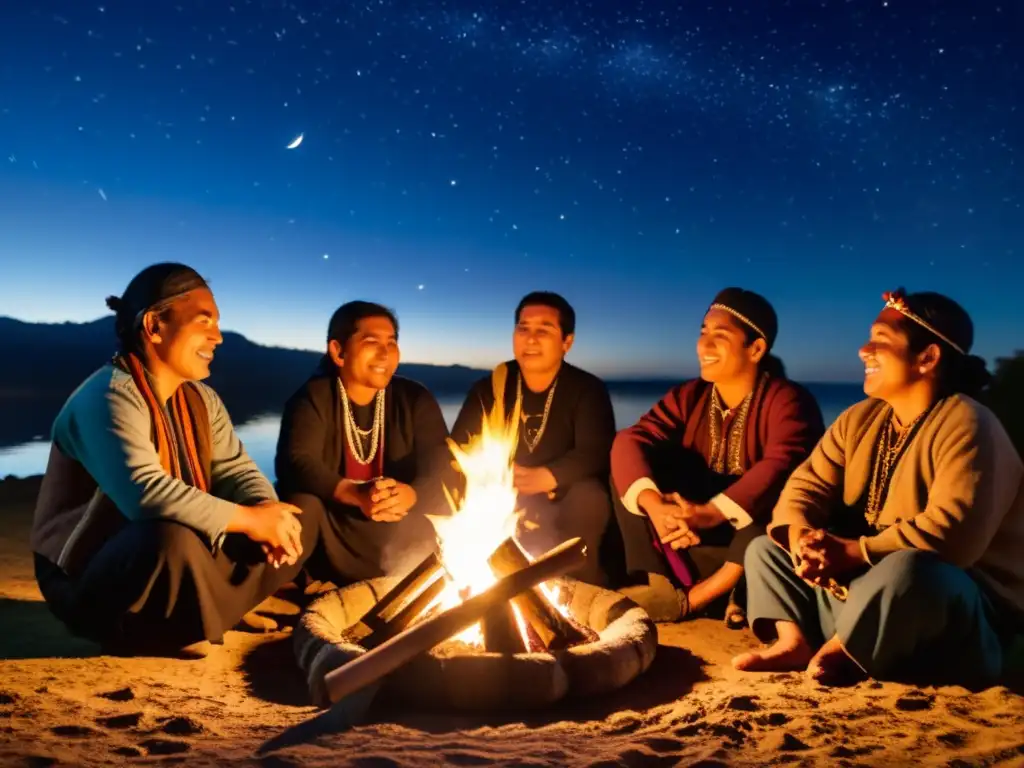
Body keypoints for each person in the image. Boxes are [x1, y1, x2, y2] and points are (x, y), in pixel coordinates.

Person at [734, 289, 1024, 689]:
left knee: (912, 569)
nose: (863, 350)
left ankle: (846, 650)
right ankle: (796, 642)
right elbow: (804, 488)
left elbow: (955, 534)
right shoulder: (860, 419)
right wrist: (805, 541)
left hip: (953, 613)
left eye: (880, 341)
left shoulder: (970, 423)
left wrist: (853, 551)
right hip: (866, 594)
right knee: (767, 549)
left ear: (928, 358)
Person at [31, 263, 317, 658]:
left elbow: (235, 469)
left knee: (301, 513)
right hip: (87, 577)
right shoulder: (108, 395)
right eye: (205, 322)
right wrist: (250, 521)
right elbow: (145, 493)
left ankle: (212, 612)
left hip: (180, 554)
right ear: (154, 326)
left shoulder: (201, 398)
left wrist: (265, 508)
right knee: (168, 537)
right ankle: (180, 624)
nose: (217, 336)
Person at [611, 288, 824, 625]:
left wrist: (711, 513)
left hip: (748, 547)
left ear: (755, 349)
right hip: (686, 534)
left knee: (783, 494)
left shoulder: (788, 400)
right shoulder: (690, 395)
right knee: (630, 466)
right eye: (703, 333)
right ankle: (660, 583)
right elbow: (631, 439)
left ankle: (699, 598)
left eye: (720, 335)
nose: (704, 346)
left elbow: (783, 463)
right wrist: (656, 505)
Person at [275, 301, 450, 585]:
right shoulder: (314, 397)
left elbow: (444, 464)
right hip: (333, 532)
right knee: (301, 505)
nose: (385, 352)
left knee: (447, 500)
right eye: (372, 341)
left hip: (402, 532)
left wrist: (411, 495)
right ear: (338, 351)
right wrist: (355, 493)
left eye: (391, 342)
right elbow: (296, 463)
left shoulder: (415, 398)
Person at [450, 291, 616, 584]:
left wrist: (550, 475)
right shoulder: (491, 387)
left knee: (590, 497)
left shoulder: (587, 389)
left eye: (544, 330)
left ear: (567, 342)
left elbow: (595, 451)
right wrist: (487, 474)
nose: (530, 339)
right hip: (501, 489)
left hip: (560, 492)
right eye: (523, 328)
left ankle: (577, 586)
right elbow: (458, 445)